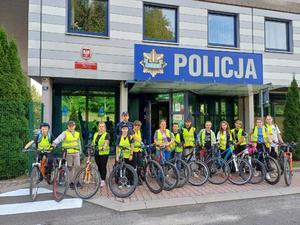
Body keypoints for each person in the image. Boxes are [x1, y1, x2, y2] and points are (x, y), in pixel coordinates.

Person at [52, 120, 82, 189]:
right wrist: (54, 143)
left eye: (72, 126)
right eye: (70, 126)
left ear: (75, 126)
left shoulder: (77, 133)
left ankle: (76, 181)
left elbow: (79, 143)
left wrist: (80, 151)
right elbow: (59, 138)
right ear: (68, 126)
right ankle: (71, 182)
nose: (71, 127)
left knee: (77, 166)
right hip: (68, 152)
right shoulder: (65, 133)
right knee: (70, 167)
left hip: (76, 152)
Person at [92, 122, 110, 187]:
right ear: (98, 127)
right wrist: (91, 146)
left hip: (104, 153)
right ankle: (100, 177)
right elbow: (93, 142)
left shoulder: (106, 134)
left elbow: (106, 142)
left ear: (105, 127)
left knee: (103, 166)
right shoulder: (95, 134)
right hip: (96, 153)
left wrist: (103, 147)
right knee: (99, 166)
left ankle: (103, 180)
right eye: (100, 126)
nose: (101, 128)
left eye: (102, 126)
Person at [132, 120, 143, 185]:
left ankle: (138, 177)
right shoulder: (131, 131)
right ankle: (134, 178)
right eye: (136, 126)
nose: (138, 127)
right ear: (134, 126)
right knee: (134, 166)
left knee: (140, 165)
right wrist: (140, 141)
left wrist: (141, 143)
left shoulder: (139, 132)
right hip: (133, 150)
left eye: (139, 126)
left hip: (139, 150)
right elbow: (134, 137)